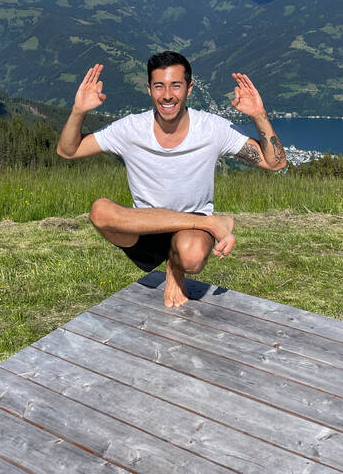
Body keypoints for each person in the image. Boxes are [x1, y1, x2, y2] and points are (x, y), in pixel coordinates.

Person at [56, 51, 286, 307]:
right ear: (149, 89)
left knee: (192, 258)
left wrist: (258, 115)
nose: (167, 95)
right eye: (159, 86)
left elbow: (275, 163)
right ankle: (213, 224)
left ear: (189, 88)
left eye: (176, 85)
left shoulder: (212, 128)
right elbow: (68, 150)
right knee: (99, 212)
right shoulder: (130, 128)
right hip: (146, 226)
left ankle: (176, 265)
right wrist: (78, 111)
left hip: (192, 228)